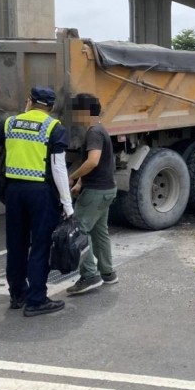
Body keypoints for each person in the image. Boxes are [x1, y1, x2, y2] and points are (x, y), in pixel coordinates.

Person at [0, 86, 73, 316]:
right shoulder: (54, 128)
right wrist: (68, 207)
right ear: (51, 107)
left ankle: (17, 295)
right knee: (39, 246)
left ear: (29, 101)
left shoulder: (10, 123)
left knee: (16, 245)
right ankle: (36, 300)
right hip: (40, 193)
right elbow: (58, 170)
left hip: (14, 192)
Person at [65, 94, 118, 296]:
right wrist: (81, 182)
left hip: (96, 192)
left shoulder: (93, 132)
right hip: (106, 189)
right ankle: (108, 272)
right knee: (99, 232)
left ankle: (89, 275)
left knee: (78, 231)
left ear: (84, 112)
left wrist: (73, 176)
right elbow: (102, 163)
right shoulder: (100, 129)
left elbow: (93, 161)